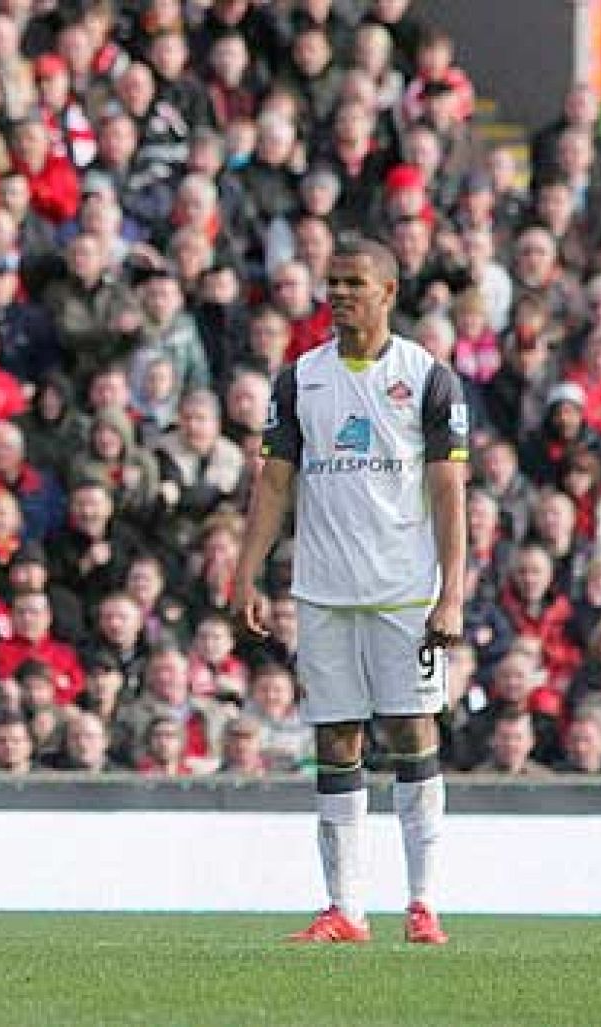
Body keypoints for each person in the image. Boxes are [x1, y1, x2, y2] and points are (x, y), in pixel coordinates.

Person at [233, 237, 467, 946]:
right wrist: (246, 571)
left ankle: (424, 902)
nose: (338, 293)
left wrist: (452, 592)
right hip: (324, 591)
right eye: (332, 282)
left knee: (412, 730)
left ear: (388, 292)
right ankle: (346, 908)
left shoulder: (427, 378)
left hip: (405, 593)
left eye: (354, 283)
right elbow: (274, 482)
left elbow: (449, 491)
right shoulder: (299, 379)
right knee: (336, 737)